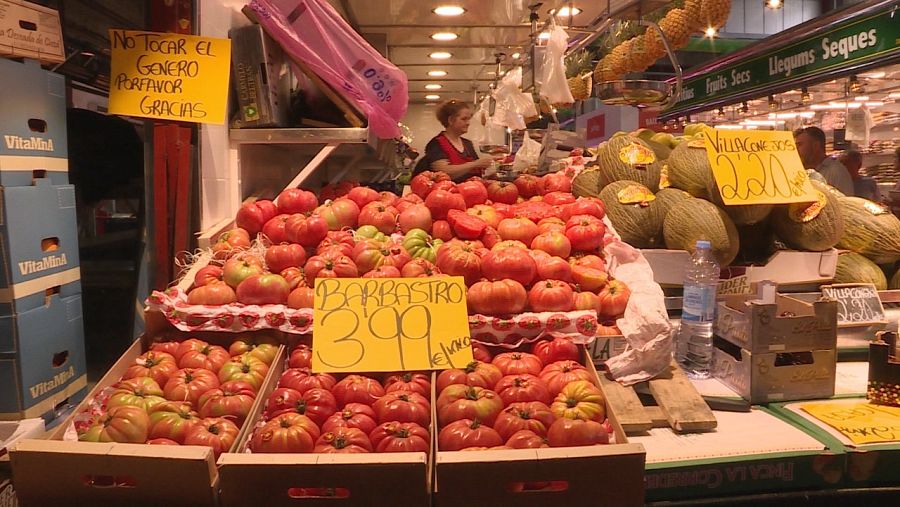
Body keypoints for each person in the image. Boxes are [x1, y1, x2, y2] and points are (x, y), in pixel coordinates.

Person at [414, 100, 493, 181]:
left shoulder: (467, 144)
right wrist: (475, 164)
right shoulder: (437, 143)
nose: (468, 123)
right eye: (464, 119)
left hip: (470, 189)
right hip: (446, 191)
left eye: (469, 119)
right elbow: (443, 173)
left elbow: (477, 169)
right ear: (451, 120)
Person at [794, 126, 854, 195]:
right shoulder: (799, 172)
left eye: (800, 145)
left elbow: (845, 204)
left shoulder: (837, 172)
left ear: (816, 146)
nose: (796, 149)